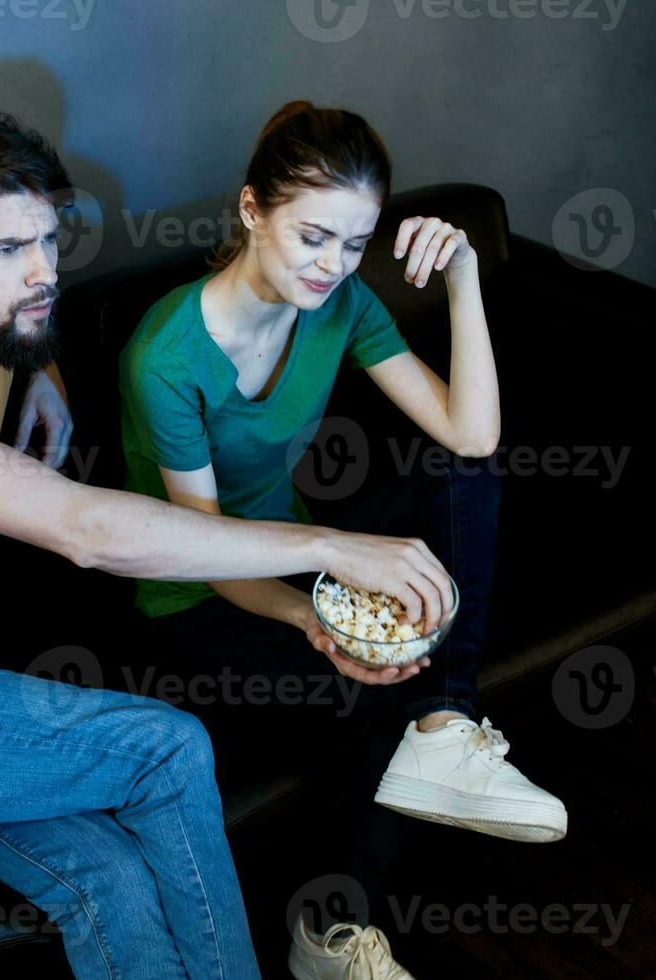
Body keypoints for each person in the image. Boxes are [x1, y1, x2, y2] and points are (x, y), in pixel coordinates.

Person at [0, 110, 453, 980]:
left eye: (49, 243)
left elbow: (20, 337)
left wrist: (45, 376)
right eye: (8, 251)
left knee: (105, 876)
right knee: (167, 750)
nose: (43, 274)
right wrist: (336, 547)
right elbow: (86, 531)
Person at [117, 100, 568, 980]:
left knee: (462, 477)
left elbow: (470, 434)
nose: (330, 266)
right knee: (368, 692)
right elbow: (204, 550)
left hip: (293, 554)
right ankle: (330, 936)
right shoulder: (165, 358)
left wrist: (464, 276)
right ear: (252, 211)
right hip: (191, 595)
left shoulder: (339, 303)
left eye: (353, 245)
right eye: (312, 237)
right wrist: (316, 616)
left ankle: (450, 717)